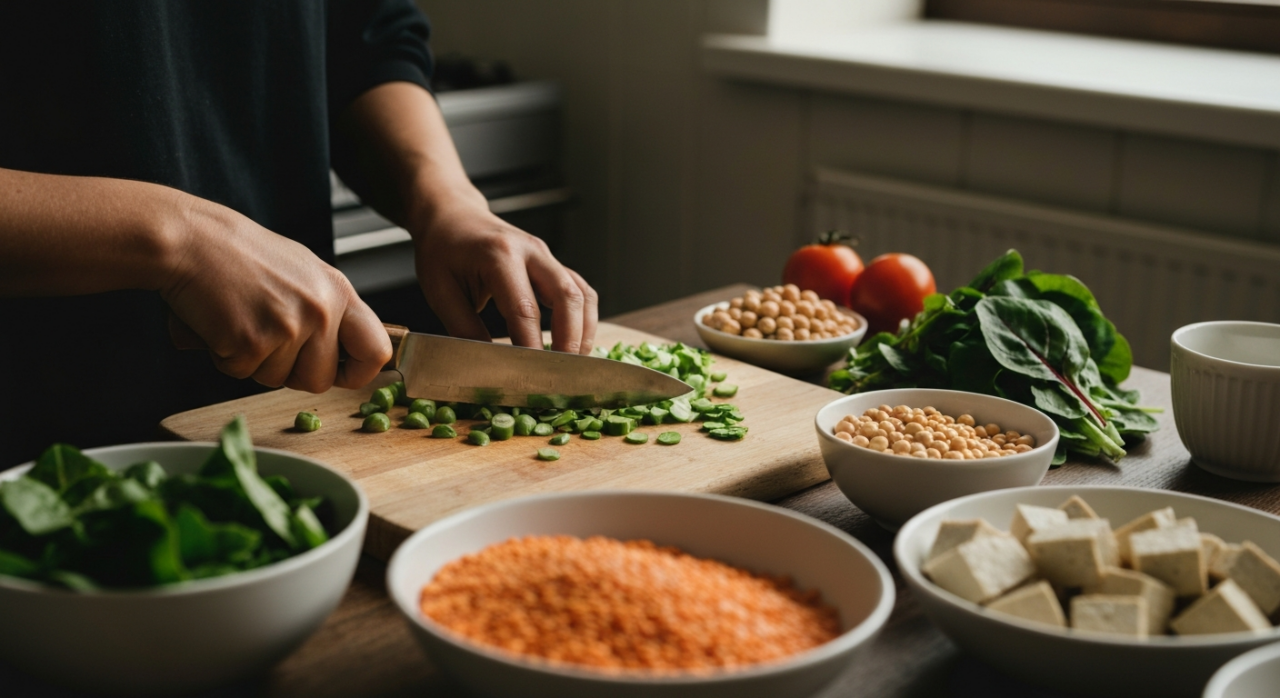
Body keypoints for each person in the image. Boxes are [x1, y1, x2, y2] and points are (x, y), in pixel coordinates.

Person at [0, 1, 598, 467]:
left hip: (279, 430)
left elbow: (366, 36)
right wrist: (176, 239)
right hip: (38, 431)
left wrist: (446, 200)